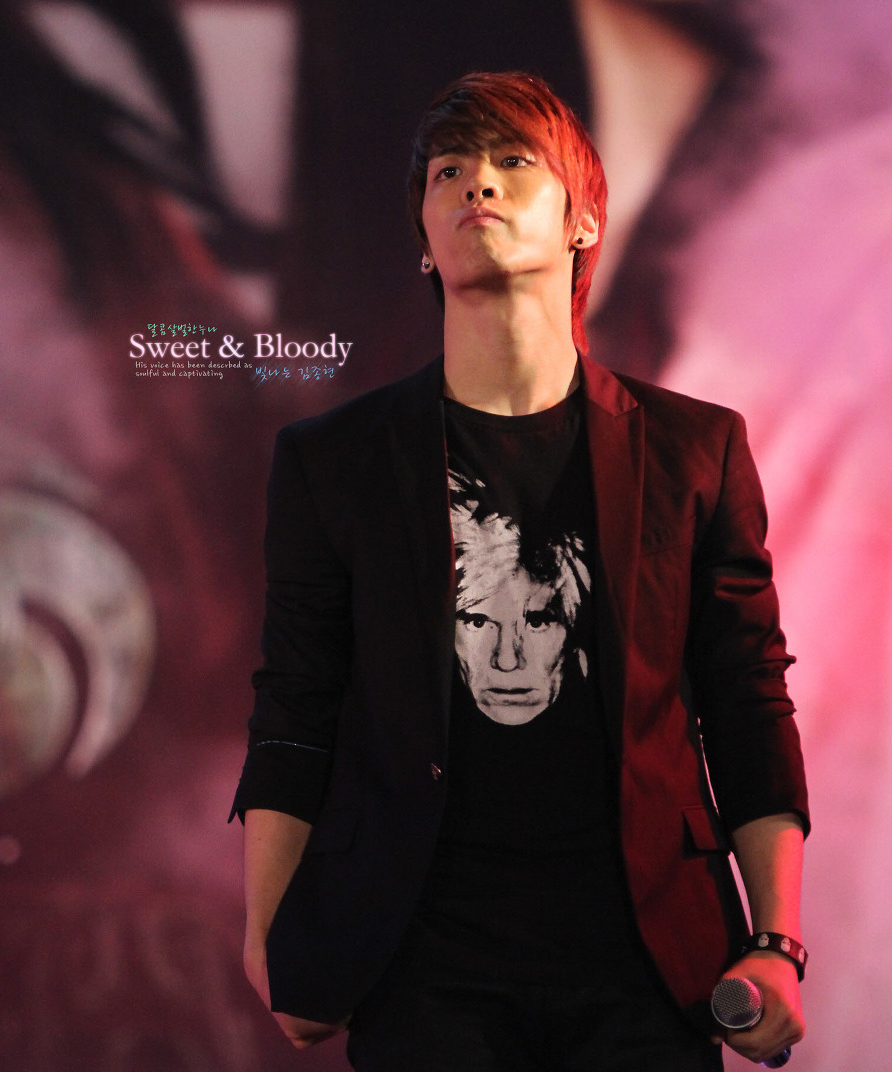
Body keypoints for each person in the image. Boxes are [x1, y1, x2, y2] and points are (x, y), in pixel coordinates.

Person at [231, 71, 809, 1071]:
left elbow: (747, 700)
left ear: (585, 222)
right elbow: (296, 703)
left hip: (645, 964)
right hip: (423, 962)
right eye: (449, 171)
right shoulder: (335, 461)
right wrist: (268, 933)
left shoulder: (695, 449)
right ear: (422, 238)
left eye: (512, 162)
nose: (478, 185)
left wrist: (777, 941)